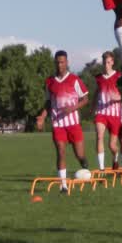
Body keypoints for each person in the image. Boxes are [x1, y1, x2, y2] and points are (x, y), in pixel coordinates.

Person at [34, 50, 91, 191]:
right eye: (57, 62)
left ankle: (83, 162)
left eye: (62, 62)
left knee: (80, 154)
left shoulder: (75, 79)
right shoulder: (50, 82)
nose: (60, 65)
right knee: (60, 150)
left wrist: (73, 108)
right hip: (58, 123)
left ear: (67, 63)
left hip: (73, 124)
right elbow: (48, 103)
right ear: (55, 63)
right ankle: (63, 185)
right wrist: (42, 116)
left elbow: (85, 99)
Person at [93, 51, 122, 170]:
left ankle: (116, 156)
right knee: (99, 136)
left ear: (112, 63)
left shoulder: (119, 76)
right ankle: (101, 168)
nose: (106, 65)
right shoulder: (99, 78)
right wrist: (93, 107)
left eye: (108, 62)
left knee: (112, 145)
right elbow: (97, 92)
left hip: (115, 115)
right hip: (101, 113)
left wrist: (118, 98)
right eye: (104, 62)